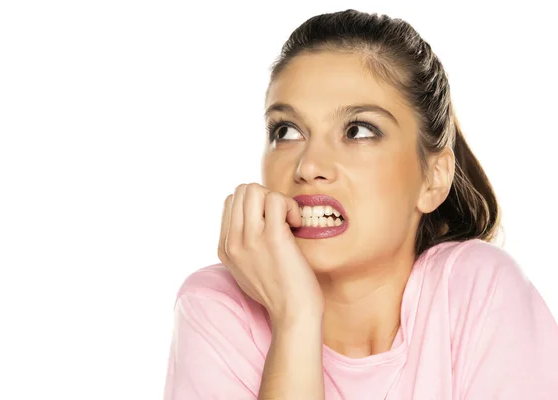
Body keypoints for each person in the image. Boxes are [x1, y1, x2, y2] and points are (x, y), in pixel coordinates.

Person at [163, 9, 558, 399]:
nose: (309, 166)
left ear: (433, 178)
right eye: (286, 131)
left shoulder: (478, 289)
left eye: (358, 130)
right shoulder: (216, 306)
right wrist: (296, 319)